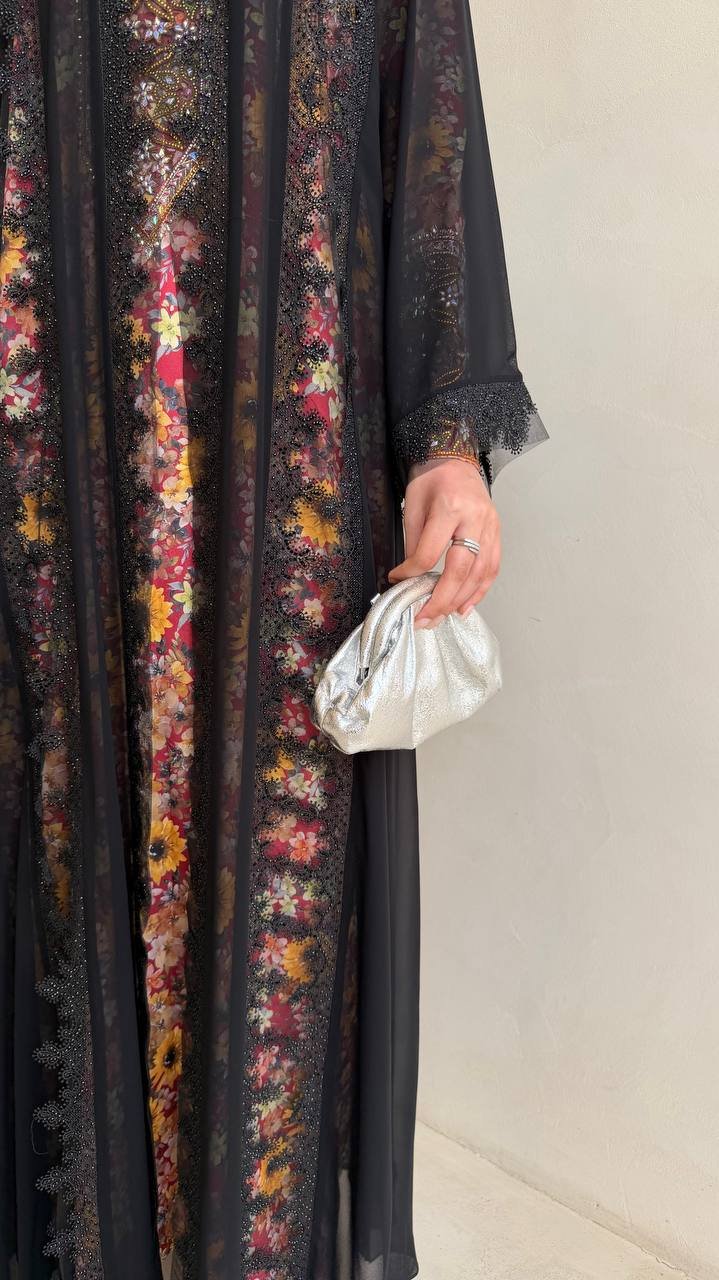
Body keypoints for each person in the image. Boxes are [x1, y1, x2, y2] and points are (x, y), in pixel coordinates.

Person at [0, 0, 547, 1276]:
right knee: (61, 879)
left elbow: (429, 145)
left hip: (286, 519)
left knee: (274, 930)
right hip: (54, 501)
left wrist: (451, 449)